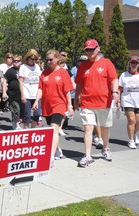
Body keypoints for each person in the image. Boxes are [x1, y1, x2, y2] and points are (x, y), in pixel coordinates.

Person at [74, 39, 119, 168]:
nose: (90, 52)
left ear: (98, 49)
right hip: (87, 102)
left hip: (104, 102)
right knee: (88, 127)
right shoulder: (83, 66)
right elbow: (78, 84)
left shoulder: (106, 63)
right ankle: (87, 156)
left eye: (92, 49)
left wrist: (115, 92)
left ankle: (105, 148)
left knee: (104, 127)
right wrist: (76, 99)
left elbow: (114, 79)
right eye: (87, 50)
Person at [33, 49, 74, 167]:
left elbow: (67, 91)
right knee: (52, 131)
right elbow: (40, 89)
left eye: (51, 59)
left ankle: (50, 158)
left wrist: (70, 105)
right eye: (47, 60)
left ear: (57, 58)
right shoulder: (44, 73)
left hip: (59, 104)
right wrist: (36, 101)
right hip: (47, 106)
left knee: (54, 129)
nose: (49, 62)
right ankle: (57, 149)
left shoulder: (63, 72)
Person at [118, 56, 139, 149]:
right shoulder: (124, 75)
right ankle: (131, 140)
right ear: (129, 64)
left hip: (138, 101)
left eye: (135, 63)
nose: (134, 65)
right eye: (132, 63)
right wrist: (117, 100)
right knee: (131, 120)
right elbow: (119, 89)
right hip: (127, 101)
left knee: (138, 121)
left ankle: (134, 134)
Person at [19, 49, 42, 129]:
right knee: (27, 115)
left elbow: (40, 81)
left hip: (36, 95)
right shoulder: (23, 67)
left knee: (37, 114)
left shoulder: (37, 67)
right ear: (27, 58)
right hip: (27, 94)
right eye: (32, 59)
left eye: (36, 59)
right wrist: (22, 95)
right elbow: (21, 82)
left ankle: (32, 129)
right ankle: (26, 131)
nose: (34, 61)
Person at [2, 55, 24, 130]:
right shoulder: (10, 70)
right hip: (13, 94)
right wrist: (4, 92)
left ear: (21, 62)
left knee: (22, 110)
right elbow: (4, 81)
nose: (16, 62)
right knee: (16, 109)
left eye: (18, 61)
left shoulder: (23, 69)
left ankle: (15, 122)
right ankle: (17, 125)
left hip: (22, 94)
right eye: (14, 61)